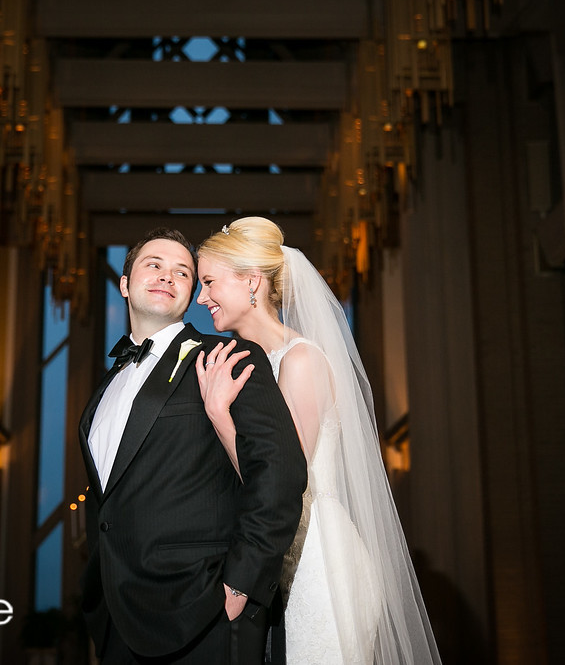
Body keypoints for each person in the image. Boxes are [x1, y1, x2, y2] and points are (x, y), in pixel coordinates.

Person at [194, 217, 442, 664]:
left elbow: (283, 476)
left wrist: (218, 415)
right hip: (280, 557)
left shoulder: (301, 359)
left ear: (252, 282)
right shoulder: (252, 364)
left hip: (319, 563)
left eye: (209, 281)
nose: (201, 296)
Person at [79, 227, 307, 664]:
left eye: (183, 272)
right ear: (125, 285)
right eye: (154, 265)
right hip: (114, 620)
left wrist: (242, 582)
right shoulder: (104, 389)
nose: (167, 276)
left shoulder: (226, 356)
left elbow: (279, 470)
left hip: (204, 612)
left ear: (190, 294)